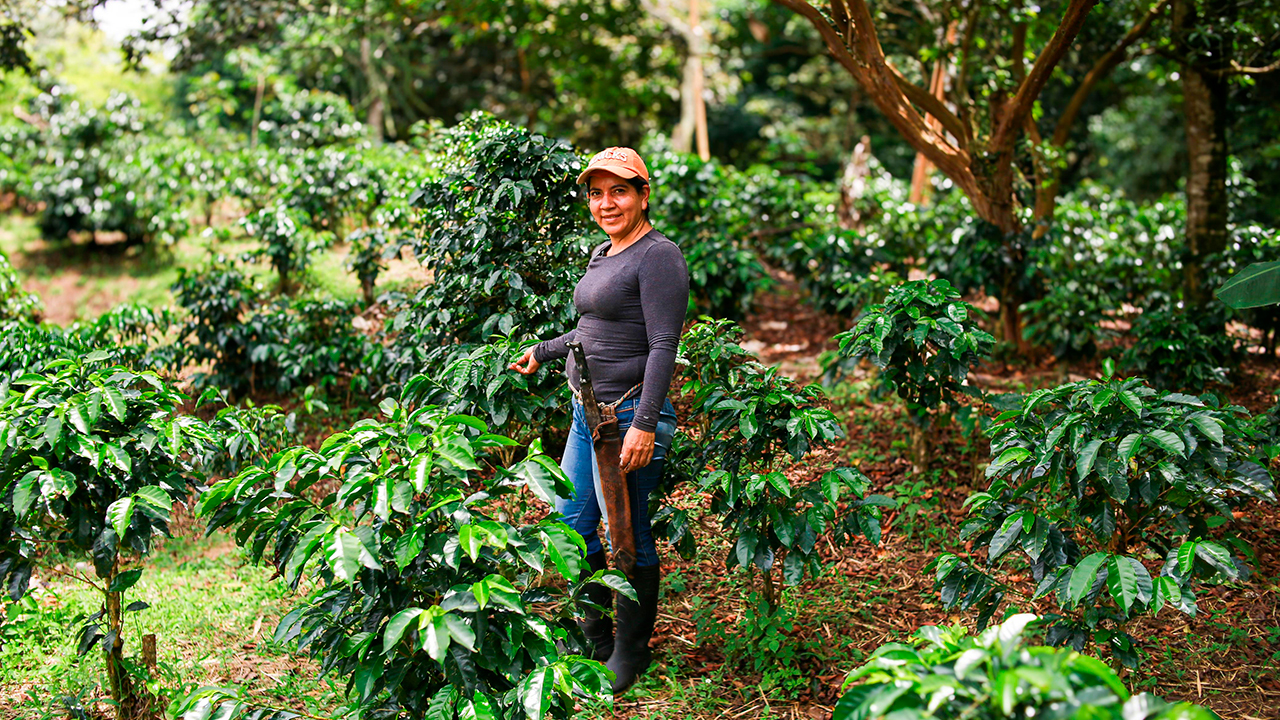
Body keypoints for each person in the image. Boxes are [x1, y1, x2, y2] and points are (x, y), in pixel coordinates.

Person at [509, 147, 688, 693]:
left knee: (627, 534)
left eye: (619, 191)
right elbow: (590, 327)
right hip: (588, 412)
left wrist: (644, 424)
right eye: (596, 192)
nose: (606, 203)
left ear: (643, 194)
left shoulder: (659, 256)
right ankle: (595, 637)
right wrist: (543, 350)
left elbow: (663, 345)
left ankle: (631, 652)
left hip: (629, 413)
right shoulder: (604, 252)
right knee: (571, 525)